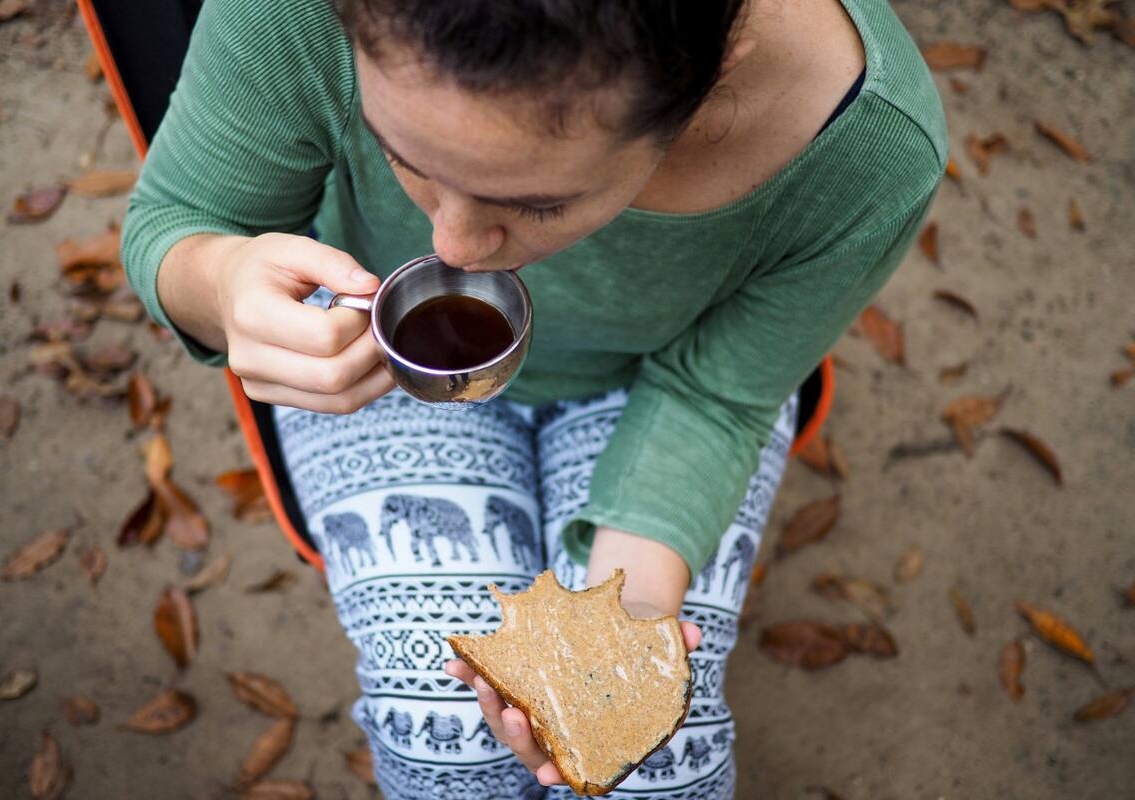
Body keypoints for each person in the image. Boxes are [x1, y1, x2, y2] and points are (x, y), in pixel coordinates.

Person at [121, 0, 945, 796]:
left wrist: (632, 612)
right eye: (401, 152)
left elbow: (717, 395)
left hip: (662, 385)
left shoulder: (867, 149)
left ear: (717, 63)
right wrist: (221, 284)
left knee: (658, 768)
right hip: (384, 367)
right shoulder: (300, 10)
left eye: (537, 202)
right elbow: (185, 217)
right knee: (444, 746)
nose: (452, 246)